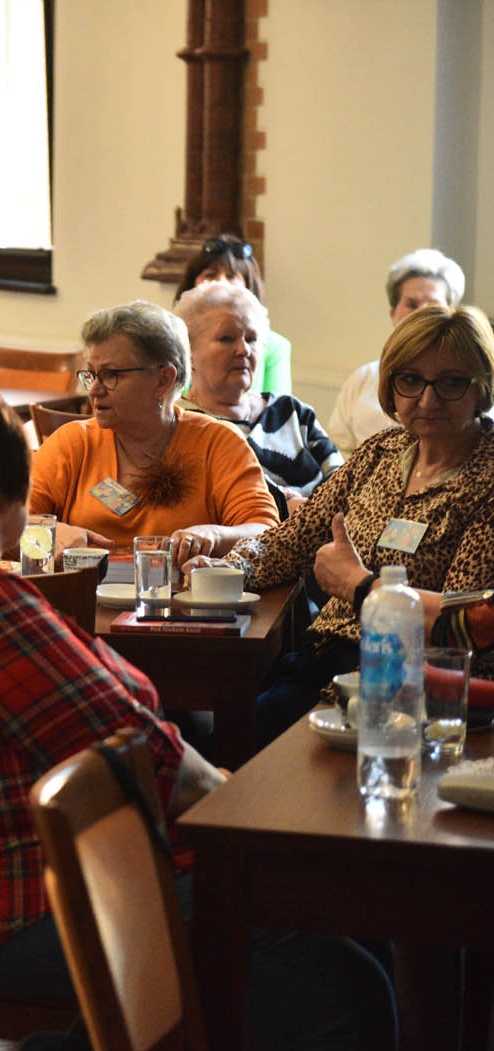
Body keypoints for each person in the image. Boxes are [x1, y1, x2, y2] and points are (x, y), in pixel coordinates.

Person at [0, 379, 396, 1051]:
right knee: (346, 976)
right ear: (3, 494)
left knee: (328, 935)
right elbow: (137, 751)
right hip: (28, 909)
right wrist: (236, 807)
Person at [187, 305, 494, 745]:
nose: (427, 400)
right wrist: (226, 569)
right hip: (321, 660)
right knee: (207, 729)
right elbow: (293, 539)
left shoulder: (486, 479)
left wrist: (358, 585)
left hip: (406, 689)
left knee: (235, 744)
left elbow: (465, 625)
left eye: (450, 383)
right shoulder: (381, 452)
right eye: (410, 381)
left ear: (481, 389)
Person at [29, 300, 278, 569]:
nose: (95, 390)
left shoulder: (218, 443)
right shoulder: (73, 443)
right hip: (84, 594)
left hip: (180, 594)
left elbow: (265, 533)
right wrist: (51, 533)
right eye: (91, 375)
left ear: (163, 379)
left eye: (111, 375)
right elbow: (6, 523)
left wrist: (214, 535)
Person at [175, 281, 342, 517]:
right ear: (189, 352)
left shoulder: (292, 412)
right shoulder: (181, 424)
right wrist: (284, 509)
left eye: (251, 339)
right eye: (227, 338)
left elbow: (344, 482)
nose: (243, 350)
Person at [326, 248, 465, 454]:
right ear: (393, 314)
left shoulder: (463, 383)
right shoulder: (362, 379)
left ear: (451, 315)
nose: (421, 314)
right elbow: (337, 451)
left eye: (433, 305)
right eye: (412, 304)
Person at [173, 233, 292, 395]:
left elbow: (277, 407)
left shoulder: (275, 347)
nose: (220, 282)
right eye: (210, 274)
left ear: (248, 285)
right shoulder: (174, 339)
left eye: (231, 276)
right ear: (192, 282)